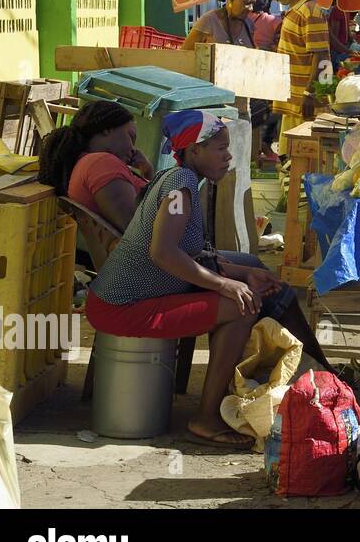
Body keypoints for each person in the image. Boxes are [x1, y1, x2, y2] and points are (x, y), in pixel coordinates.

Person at [84, 110, 333, 448]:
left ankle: (320, 378)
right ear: (195, 150)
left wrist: (245, 273)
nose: (229, 155)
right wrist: (225, 284)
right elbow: (164, 253)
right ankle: (207, 418)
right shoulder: (179, 189)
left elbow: (196, 253)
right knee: (241, 306)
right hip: (123, 306)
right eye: (220, 148)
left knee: (255, 293)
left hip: (133, 300)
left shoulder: (181, 180)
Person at [39, 101, 154, 232]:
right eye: (131, 137)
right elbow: (135, 229)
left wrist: (147, 171)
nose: (134, 149)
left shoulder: (88, 164)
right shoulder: (101, 163)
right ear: (108, 128)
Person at [272, 0, 331, 153]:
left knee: (304, 160)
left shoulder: (310, 10)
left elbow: (321, 56)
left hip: (305, 104)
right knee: (289, 159)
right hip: (294, 100)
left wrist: (309, 94)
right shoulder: (297, 11)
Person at [183, 0, 256, 50]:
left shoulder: (249, 25)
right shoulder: (209, 21)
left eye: (253, 3)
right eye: (247, 2)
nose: (251, 8)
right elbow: (184, 53)